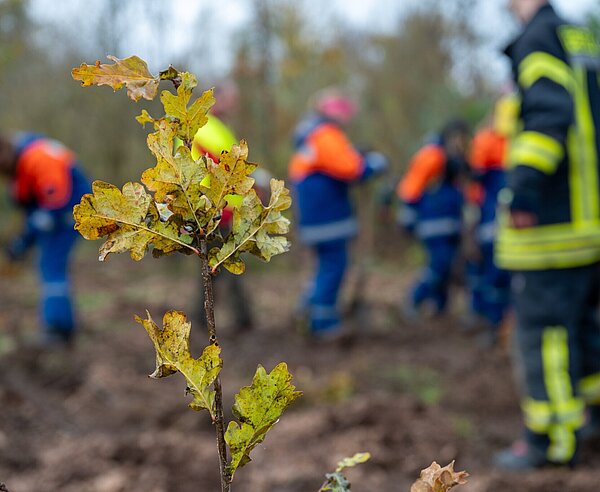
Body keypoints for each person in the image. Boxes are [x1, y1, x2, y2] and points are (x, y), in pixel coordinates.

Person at [494, 0, 600, 469]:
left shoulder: (537, 37)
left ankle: (553, 441)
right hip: (589, 223)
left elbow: (546, 117)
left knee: (545, 335)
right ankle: (592, 419)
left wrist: (524, 194)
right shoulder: (578, 36)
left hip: (554, 226)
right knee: (585, 329)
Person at [289, 88, 388, 340]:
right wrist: (372, 165)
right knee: (334, 265)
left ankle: (308, 308)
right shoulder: (326, 135)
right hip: (328, 216)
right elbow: (351, 168)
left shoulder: (311, 135)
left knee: (325, 265)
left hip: (315, 216)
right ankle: (322, 322)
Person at [0, 133, 90, 345]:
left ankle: (58, 329)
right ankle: (62, 325)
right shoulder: (22, 161)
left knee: (51, 266)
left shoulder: (37, 157)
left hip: (71, 216)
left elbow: (53, 206)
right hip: (61, 215)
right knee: (50, 266)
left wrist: (23, 241)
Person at [190, 82, 261, 332]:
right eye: (231, 98)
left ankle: (206, 320)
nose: (235, 103)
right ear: (215, 98)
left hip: (217, 208)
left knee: (216, 266)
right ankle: (237, 320)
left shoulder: (213, 125)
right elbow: (225, 166)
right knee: (222, 266)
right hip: (214, 210)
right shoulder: (206, 126)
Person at [396, 120, 469, 317]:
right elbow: (411, 188)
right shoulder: (432, 155)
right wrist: (407, 218)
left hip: (450, 224)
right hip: (433, 224)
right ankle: (415, 298)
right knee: (439, 265)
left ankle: (440, 308)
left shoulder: (452, 158)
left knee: (446, 269)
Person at [466, 95, 518, 345]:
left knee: (499, 276)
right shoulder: (488, 142)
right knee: (495, 276)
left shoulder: (489, 141)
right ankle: (495, 324)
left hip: (502, 224)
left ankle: (501, 325)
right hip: (496, 224)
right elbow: (476, 184)